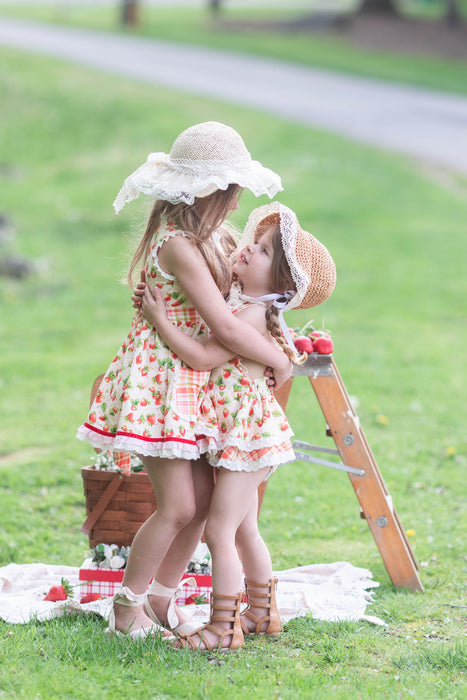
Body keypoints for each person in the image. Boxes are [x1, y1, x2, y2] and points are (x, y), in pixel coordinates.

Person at [76, 122, 290, 639]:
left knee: (195, 509)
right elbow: (221, 327)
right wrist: (282, 361)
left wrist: (274, 337)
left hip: (192, 380)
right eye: (232, 193)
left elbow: (252, 299)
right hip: (163, 383)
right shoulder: (178, 245)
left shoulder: (211, 236)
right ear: (210, 192)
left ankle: (159, 599)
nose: (237, 207)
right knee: (177, 507)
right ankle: (126, 608)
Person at [134, 202, 336, 650]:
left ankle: (223, 628)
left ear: (280, 284)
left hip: (245, 440)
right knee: (244, 529)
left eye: (262, 252)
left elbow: (204, 355)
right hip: (239, 438)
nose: (248, 249)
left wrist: (161, 322)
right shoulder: (245, 303)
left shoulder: (246, 316)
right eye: (256, 242)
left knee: (220, 531)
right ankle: (262, 613)